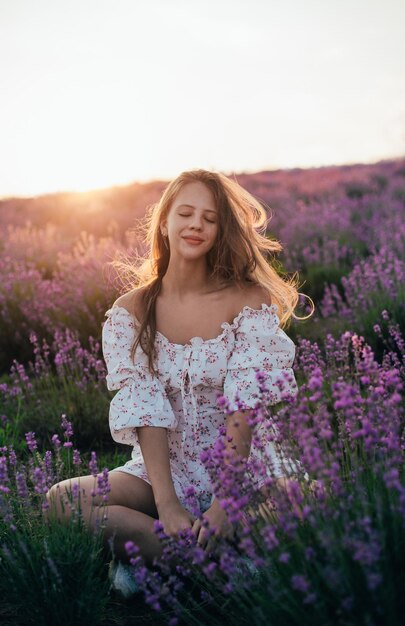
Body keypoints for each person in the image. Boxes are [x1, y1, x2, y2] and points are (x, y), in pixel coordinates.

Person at [47, 168, 310, 584]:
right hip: (163, 470)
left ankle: (151, 564)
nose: (196, 225)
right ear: (165, 222)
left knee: (307, 498)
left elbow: (245, 404)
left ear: (221, 229)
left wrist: (228, 499)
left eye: (210, 218)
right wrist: (167, 504)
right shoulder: (131, 310)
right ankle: (197, 562)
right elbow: (147, 411)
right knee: (61, 502)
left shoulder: (247, 300)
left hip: (243, 466)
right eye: (186, 213)